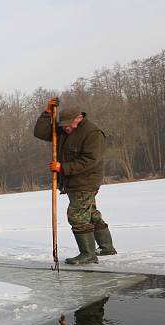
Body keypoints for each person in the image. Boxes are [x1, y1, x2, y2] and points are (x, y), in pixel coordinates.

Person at [34, 98, 117, 265]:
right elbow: (40, 132)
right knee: (90, 213)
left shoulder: (93, 133)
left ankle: (88, 254)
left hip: (85, 180)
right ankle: (106, 247)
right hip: (73, 182)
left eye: (68, 125)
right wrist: (47, 112)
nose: (66, 128)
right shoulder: (65, 130)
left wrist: (62, 168)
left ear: (79, 118)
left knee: (77, 216)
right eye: (63, 125)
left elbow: (90, 161)